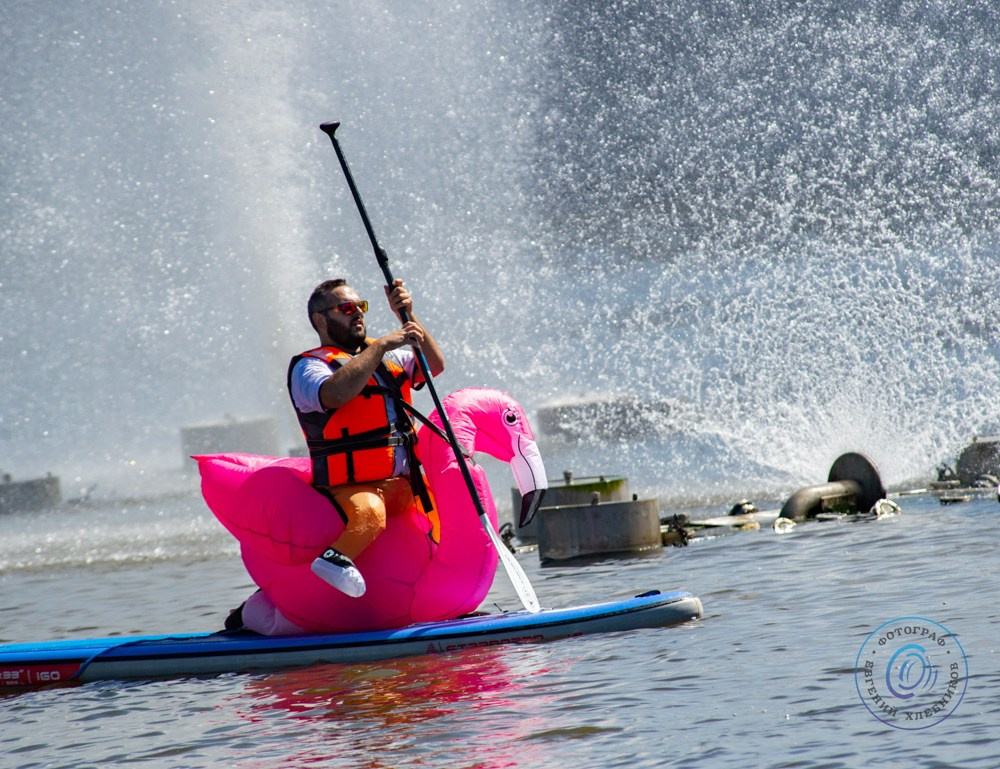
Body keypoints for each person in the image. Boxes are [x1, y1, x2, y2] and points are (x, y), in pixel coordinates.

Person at [287, 277, 445, 598]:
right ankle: (334, 560)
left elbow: (433, 365)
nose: (357, 313)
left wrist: (407, 316)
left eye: (361, 306)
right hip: (350, 487)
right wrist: (382, 345)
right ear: (321, 320)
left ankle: (442, 595)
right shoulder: (309, 367)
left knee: (444, 519)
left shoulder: (384, 355)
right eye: (346, 308)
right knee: (370, 514)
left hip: (404, 483)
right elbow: (334, 394)